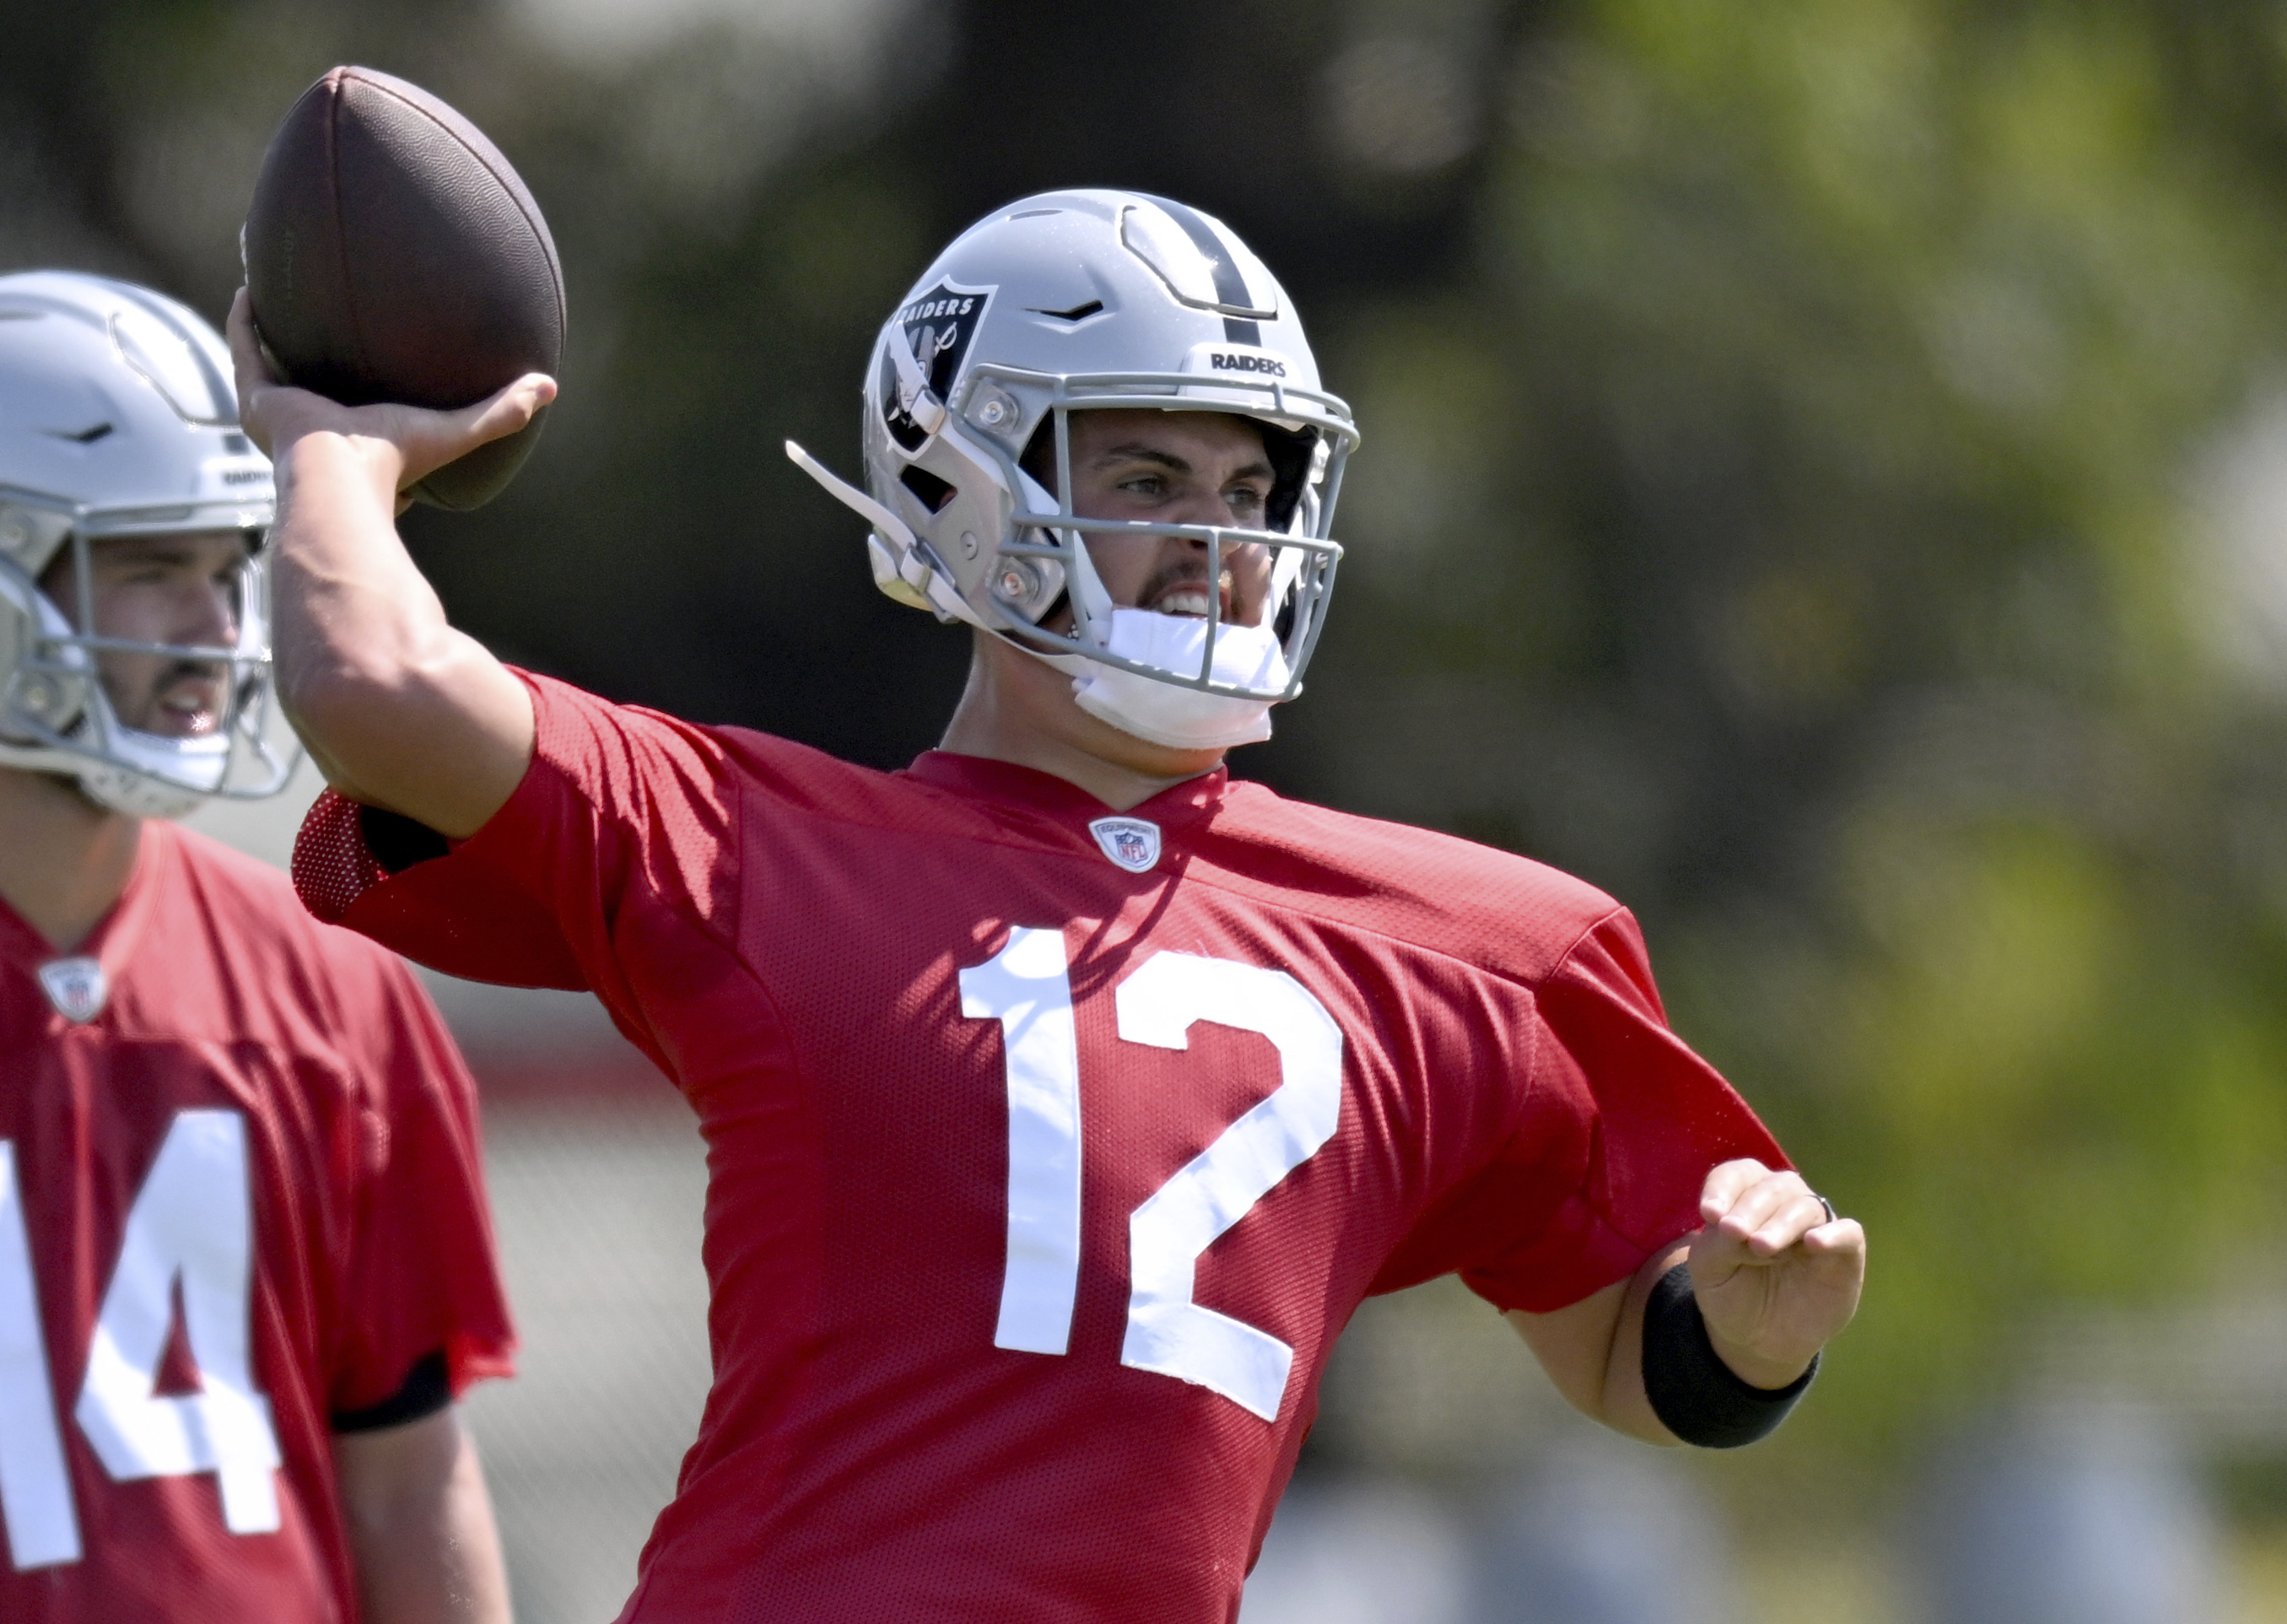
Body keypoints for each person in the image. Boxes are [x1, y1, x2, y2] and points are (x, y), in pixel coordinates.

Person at [239, 189, 1866, 1621]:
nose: (1221, 539)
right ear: (964, 483)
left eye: (1251, 485)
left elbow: (1633, 1355)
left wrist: (1755, 1331)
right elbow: (374, 681)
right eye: (1152, 471)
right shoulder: (763, 844)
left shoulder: (1459, 949)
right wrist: (333, 451)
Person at [0, 271, 516, 1622]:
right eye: (153, 569)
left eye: (229, 565)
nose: (217, 628)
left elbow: (407, 1479)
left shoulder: (328, 987)